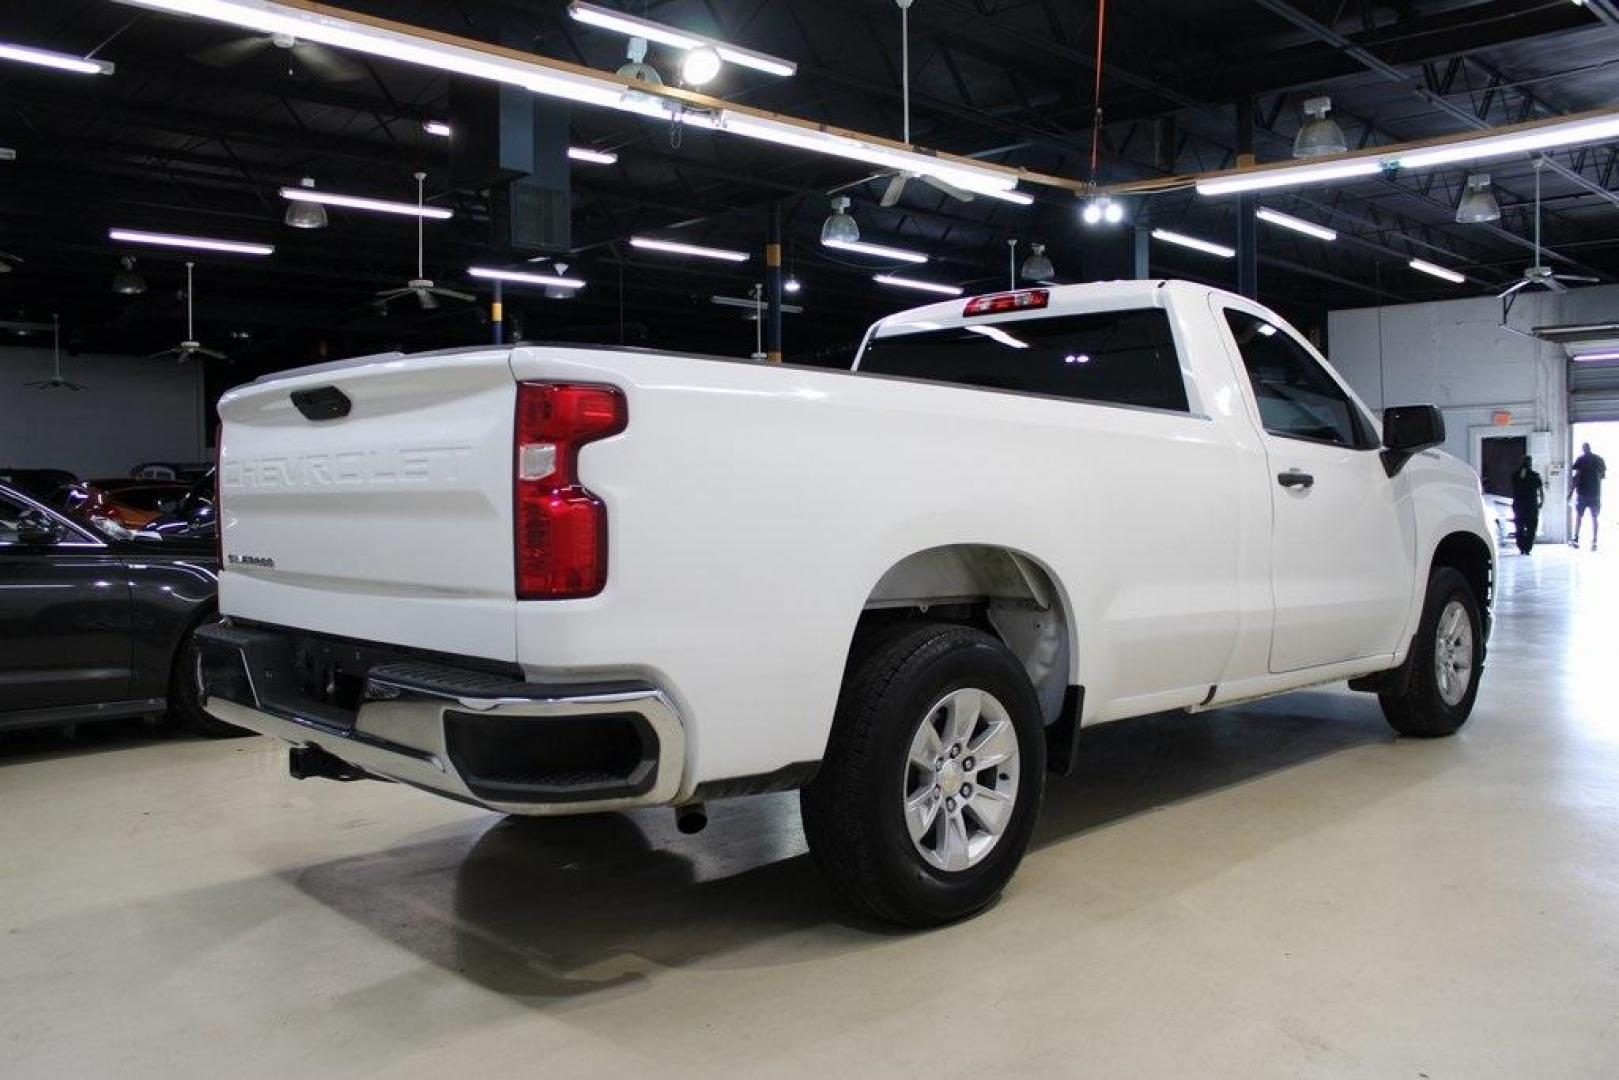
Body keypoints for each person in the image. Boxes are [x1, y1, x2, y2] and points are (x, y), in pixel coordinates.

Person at [1569, 442, 1606, 551]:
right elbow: (1602, 476)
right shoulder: (1599, 459)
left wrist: (1571, 492)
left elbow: (1576, 477)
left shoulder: (1580, 459)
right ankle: (1594, 541)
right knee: (1595, 517)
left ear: (1583, 449)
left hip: (1582, 493)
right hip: (1595, 493)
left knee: (1579, 516)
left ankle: (1576, 538)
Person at [1510, 455, 1544, 555]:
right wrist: (1541, 502)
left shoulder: (1515, 475)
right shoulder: (1535, 475)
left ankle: (1521, 546)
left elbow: (1513, 489)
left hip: (1518, 504)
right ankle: (1527, 547)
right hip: (1531, 505)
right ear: (1531, 463)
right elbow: (1541, 491)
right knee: (1531, 527)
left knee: (1519, 526)